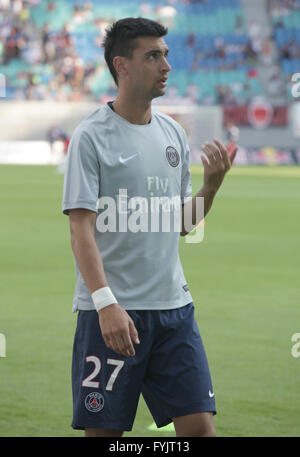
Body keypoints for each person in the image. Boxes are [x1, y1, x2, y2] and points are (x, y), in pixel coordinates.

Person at [62, 17, 237, 438]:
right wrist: (105, 304)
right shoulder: (91, 137)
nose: (166, 66)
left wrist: (211, 187)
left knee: (201, 431)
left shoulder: (174, 134)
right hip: (111, 313)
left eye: (166, 55)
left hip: (175, 312)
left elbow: (184, 225)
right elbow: (80, 230)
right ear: (121, 66)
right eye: (153, 56)